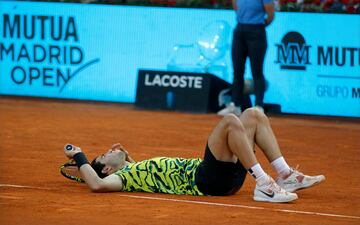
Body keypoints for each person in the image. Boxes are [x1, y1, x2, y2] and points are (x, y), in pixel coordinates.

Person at [63, 107, 325, 203]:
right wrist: (80, 156)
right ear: (108, 169)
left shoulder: (136, 167)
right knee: (230, 121)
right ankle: (264, 185)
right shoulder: (124, 179)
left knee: (254, 114)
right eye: (105, 155)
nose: (111, 149)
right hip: (207, 181)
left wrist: (125, 155)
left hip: (223, 176)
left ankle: (285, 175)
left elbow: (130, 161)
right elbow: (96, 184)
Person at [218, 0, 275, 116]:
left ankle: (259, 106)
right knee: (237, 71)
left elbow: (270, 15)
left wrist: (257, 25)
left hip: (257, 32)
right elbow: (236, 7)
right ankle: (235, 105)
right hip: (239, 31)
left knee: (257, 71)